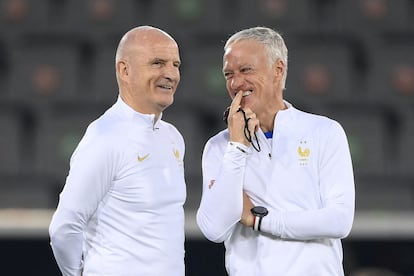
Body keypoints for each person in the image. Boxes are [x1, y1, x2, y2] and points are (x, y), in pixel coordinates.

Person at [196, 26, 355, 276]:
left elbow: (339, 220)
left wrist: (259, 220)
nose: (236, 83)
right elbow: (213, 229)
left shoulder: (324, 132)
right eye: (229, 74)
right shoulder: (220, 147)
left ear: (277, 70)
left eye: (246, 70)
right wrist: (237, 147)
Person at [49, 26, 186, 276]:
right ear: (124, 70)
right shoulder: (105, 138)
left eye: (175, 64)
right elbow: (64, 227)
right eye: (157, 63)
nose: (170, 74)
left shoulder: (173, 138)